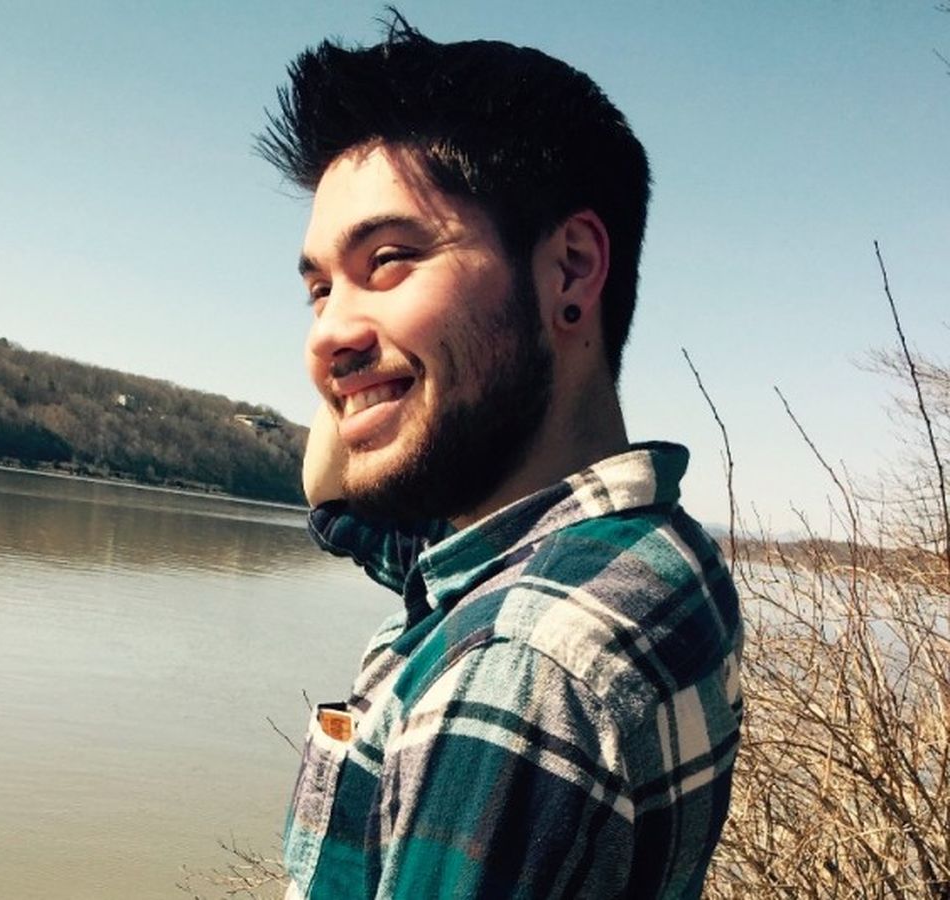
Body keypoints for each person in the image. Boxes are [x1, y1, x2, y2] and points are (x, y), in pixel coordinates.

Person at [258, 13, 742, 899]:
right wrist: (367, 370)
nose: (324, 333)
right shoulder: (656, 554)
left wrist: (365, 367)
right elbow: (338, 506)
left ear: (571, 270)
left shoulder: (514, 675)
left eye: (389, 259)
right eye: (320, 288)